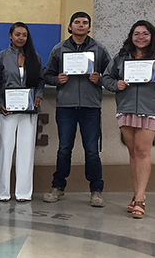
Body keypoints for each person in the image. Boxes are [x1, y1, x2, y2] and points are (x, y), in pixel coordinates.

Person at [103, 20, 155, 218]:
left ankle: (140, 199)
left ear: (152, 36)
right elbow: (106, 78)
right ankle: (135, 194)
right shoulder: (122, 57)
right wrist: (116, 84)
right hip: (126, 109)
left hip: (150, 109)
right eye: (137, 33)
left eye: (145, 33)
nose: (141, 37)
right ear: (131, 36)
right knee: (132, 152)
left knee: (142, 150)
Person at [42, 12, 112, 207]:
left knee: (92, 151)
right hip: (66, 107)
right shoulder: (59, 49)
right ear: (70, 26)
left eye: (85, 23)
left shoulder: (99, 49)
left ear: (89, 27)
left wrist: (100, 80)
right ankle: (58, 187)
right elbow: (47, 76)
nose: (81, 25)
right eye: (77, 22)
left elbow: (112, 75)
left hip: (91, 107)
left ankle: (96, 190)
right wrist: (57, 80)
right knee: (64, 149)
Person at [0, 22, 44, 202]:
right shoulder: (1, 57)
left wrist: (38, 96)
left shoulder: (34, 57)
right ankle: (3, 192)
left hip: (29, 111)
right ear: (10, 36)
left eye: (24, 35)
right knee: (5, 150)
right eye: (17, 34)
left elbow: (40, 81)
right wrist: (0, 104)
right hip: (7, 111)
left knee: (26, 151)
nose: (21, 38)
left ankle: (23, 193)